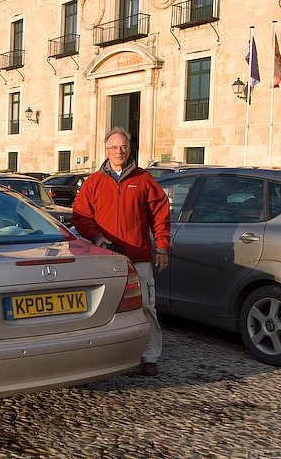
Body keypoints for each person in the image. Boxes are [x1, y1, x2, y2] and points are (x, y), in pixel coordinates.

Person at [72, 127, 170, 377]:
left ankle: (150, 356)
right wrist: (98, 238)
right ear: (106, 150)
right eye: (114, 147)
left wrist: (162, 245)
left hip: (139, 257)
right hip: (104, 259)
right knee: (104, 309)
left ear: (129, 149)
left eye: (123, 147)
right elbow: (81, 216)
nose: (119, 151)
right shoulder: (94, 182)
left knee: (147, 308)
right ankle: (105, 355)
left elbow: (160, 213)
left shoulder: (143, 179)